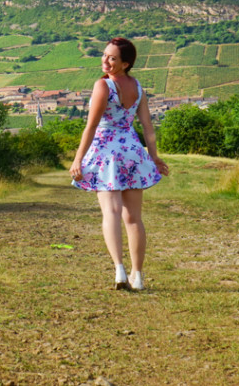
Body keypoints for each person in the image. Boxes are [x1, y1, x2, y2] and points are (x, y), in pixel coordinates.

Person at [69, 37, 169, 290]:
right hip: (132, 152)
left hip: (105, 152)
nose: (105, 61)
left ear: (125, 63)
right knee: (134, 218)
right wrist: (154, 157)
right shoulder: (138, 87)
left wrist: (78, 158)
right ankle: (138, 276)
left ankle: (120, 271)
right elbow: (147, 126)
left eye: (112, 58)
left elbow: (91, 126)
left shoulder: (103, 86)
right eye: (105, 55)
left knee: (111, 213)